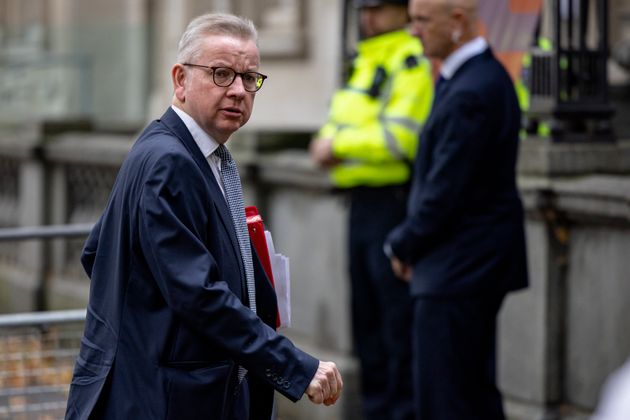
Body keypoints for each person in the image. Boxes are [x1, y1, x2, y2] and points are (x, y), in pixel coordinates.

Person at [65, 13, 342, 420]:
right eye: (221, 73)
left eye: (249, 78)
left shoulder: (187, 151)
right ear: (180, 79)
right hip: (163, 398)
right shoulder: (169, 161)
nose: (238, 90)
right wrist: (294, 366)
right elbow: (198, 295)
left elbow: (97, 252)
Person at [384, 0, 528, 418]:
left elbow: (446, 191)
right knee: (471, 392)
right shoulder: (473, 78)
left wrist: (402, 245)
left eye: (422, 21)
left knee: (446, 398)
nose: (413, 31)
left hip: (458, 267)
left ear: (458, 22)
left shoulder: (473, 89)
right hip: (465, 263)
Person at [310, 1, 433, 419]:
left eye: (379, 9)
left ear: (403, 11)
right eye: (365, 9)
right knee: (367, 321)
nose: (368, 18)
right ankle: (379, 411)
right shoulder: (365, 59)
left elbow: (402, 137)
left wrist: (337, 147)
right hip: (361, 203)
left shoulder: (410, 58)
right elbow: (339, 119)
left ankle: (400, 412)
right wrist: (330, 141)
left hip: (393, 203)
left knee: (395, 321)